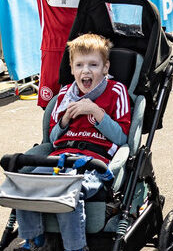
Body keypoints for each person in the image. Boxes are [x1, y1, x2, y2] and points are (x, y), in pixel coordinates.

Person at [16, 33, 131, 251]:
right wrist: (65, 119)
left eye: (93, 65)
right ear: (71, 68)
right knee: (25, 184)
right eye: (79, 65)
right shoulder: (64, 95)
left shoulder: (117, 91)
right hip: (59, 157)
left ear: (105, 67)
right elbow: (52, 140)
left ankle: (76, 247)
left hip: (93, 161)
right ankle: (34, 240)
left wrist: (96, 112)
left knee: (68, 189)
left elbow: (122, 138)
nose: (86, 71)